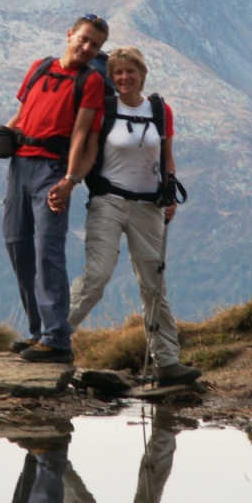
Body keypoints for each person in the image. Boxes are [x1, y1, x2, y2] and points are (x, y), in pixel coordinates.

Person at [0, 15, 109, 364]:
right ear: (69, 34)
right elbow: (21, 116)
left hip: (52, 171)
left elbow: (81, 135)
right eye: (83, 39)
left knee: (48, 251)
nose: (87, 47)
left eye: (94, 45)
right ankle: (38, 333)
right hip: (19, 167)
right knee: (16, 244)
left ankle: (56, 340)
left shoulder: (91, 80)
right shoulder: (40, 68)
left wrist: (69, 181)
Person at [68, 47, 201, 386]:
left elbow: (167, 156)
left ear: (142, 75)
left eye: (130, 71)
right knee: (97, 275)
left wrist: (169, 191)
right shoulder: (105, 108)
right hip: (108, 202)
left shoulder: (160, 110)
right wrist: (70, 181)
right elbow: (90, 151)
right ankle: (54, 338)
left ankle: (167, 361)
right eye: (118, 72)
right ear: (111, 77)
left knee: (154, 284)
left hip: (149, 207)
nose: (124, 77)